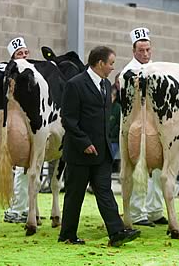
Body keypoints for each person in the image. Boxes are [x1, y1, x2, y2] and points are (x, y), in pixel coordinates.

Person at [59, 45, 140, 246]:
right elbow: (68, 119)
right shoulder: (75, 85)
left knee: (105, 191)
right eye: (111, 63)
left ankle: (116, 232)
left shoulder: (105, 86)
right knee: (75, 195)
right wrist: (84, 143)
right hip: (80, 153)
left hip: (102, 152)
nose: (113, 68)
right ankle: (67, 235)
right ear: (100, 63)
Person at [121, 27, 167, 227]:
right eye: (141, 50)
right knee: (138, 169)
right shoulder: (127, 73)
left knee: (157, 169)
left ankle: (156, 210)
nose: (146, 54)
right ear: (134, 51)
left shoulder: (157, 69)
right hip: (135, 127)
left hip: (156, 126)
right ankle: (138, 213)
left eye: (148, 49)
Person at [3, 37, 30, 223]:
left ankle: (27, 208)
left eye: (26, 53)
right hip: (15, 126)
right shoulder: (10, 74)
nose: (24, 56)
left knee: (29, 169)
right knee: (21, 169)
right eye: (20, 54)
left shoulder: (31, 74)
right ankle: (16, 209)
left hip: (30, 126)